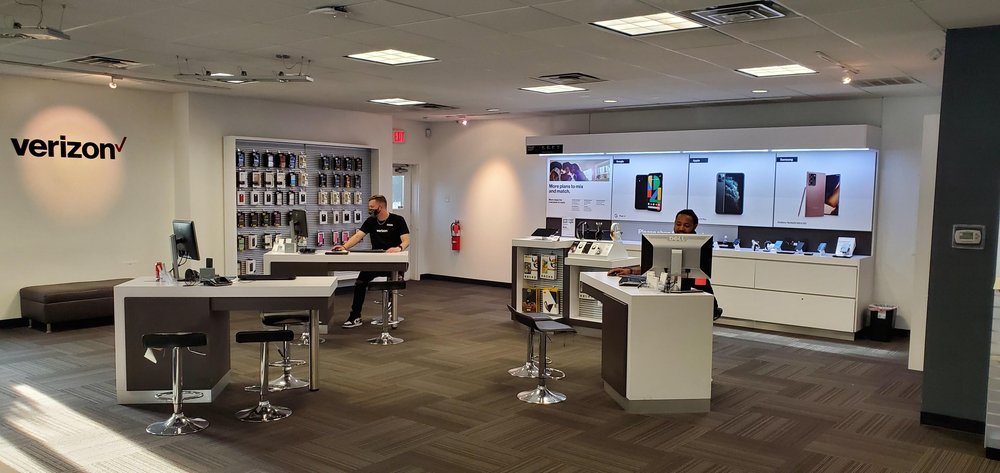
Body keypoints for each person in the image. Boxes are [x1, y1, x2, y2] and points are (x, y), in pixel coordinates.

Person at [607, 209, 722, 319]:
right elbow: (654, 266)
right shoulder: (668, 242)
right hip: (672, 293)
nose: (681, 228)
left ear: (694, 226)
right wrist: (629, 271)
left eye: (686, 226)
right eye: (678, 224)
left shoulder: (700, 244)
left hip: (697, 291)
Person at [333, 195, 410, 328]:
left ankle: (391, 314)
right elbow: (358, 236)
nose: (369, 209)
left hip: (393, 262)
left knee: (392, 283)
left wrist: (399, 248)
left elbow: (406, 240)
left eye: (372, 207)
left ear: (381, 207)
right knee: (360, 283)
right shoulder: (371, 221)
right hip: (376, 261)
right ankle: (355, 316)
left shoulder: (398, 220)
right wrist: (344, 247)